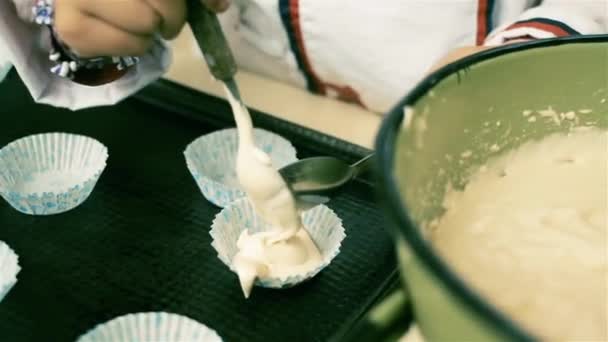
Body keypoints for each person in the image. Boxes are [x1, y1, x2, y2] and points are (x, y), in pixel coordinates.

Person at [1, 0, 606, 112]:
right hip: (259, 102)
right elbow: (76, 57)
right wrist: (65, 24)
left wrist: (534, 56)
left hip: (488, 104)